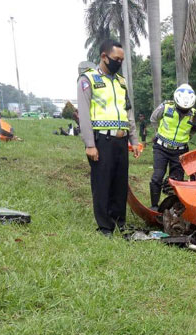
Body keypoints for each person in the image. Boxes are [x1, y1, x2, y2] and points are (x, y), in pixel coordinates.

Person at [78, 39, 141, 236]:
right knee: (102, 183)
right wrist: (90, 144)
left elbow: (128, 113)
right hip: (102, 141)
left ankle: (119, 221)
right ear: (104, 57)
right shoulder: (88, 80)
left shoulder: (121, 82)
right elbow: (84, 114)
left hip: (121, 141)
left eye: (121, 60)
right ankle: (105, 226)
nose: (119, 63)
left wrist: (134, 139)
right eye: (116, 59)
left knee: (120, 183)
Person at [148, 84, 196, 211]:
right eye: (181, 108)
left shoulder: (195, 114)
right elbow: (153, 118)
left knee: (177, 180)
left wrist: (185, 138)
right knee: (157, 176)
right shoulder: (166, 107)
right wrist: (158, 133)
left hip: (180, 151)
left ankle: (173, 206)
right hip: (161, 148)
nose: (184, 111)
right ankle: (154, 206)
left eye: (186, 109)